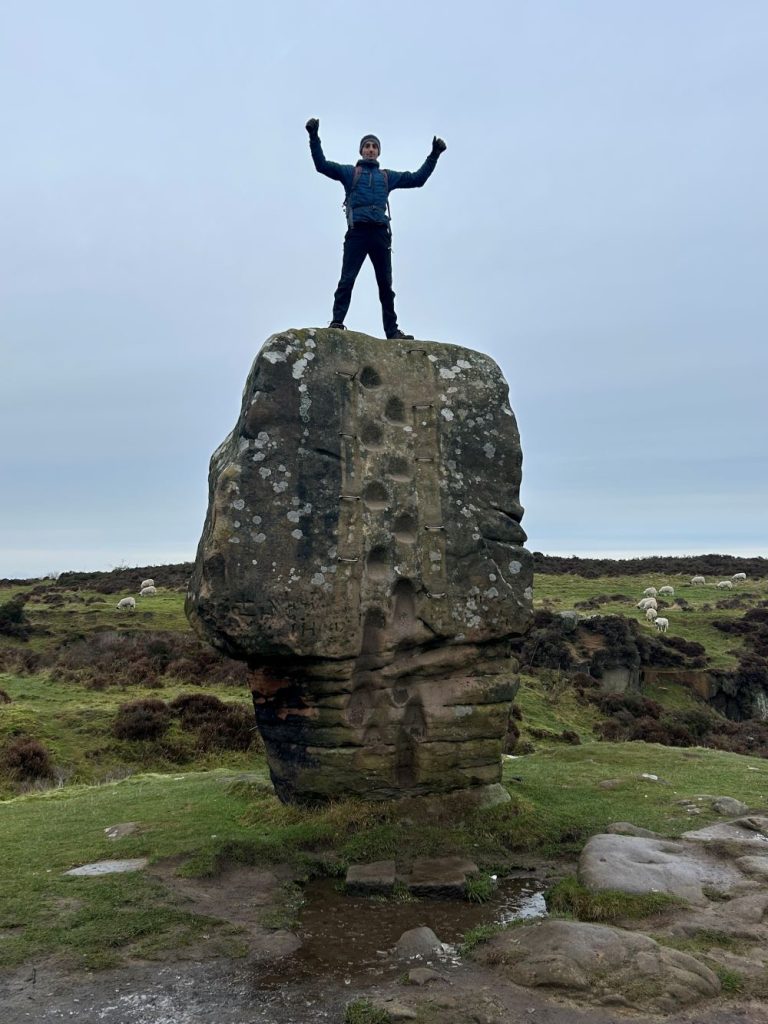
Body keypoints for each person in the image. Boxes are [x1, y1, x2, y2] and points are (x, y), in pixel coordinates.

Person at [305, 118, 446, 340]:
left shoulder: (386, 177)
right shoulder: (350, 172)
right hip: (358, 232)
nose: (370, 149)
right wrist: (314, 136)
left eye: (374, 147)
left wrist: (434, 154)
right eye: (367, 146)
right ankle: (337, 322)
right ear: (361, 151)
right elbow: (321, 165)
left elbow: (417, 179)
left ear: (378, 152)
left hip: (380, 233)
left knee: (386, 286)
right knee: (347, 280)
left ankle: (392, 332)